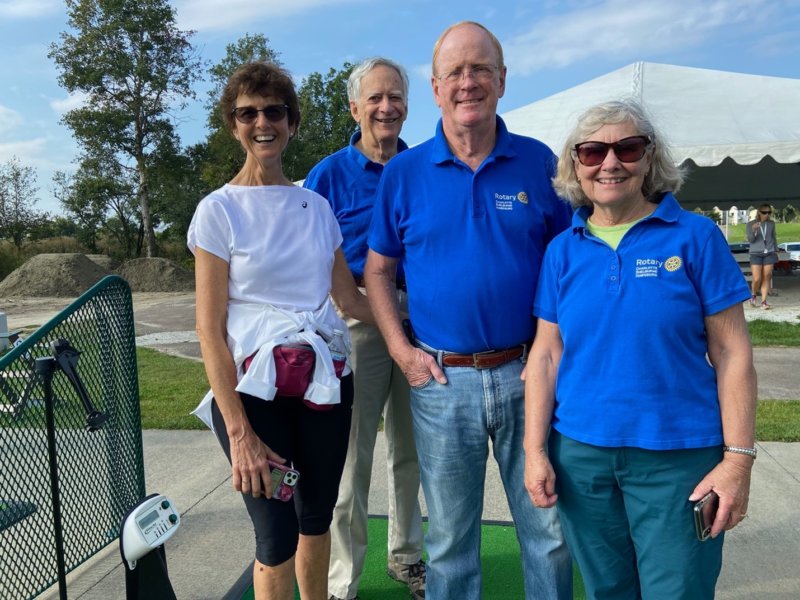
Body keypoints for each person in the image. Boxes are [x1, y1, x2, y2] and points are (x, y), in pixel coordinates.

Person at [364, 21, 573, 600]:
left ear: (502, 80)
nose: (468, 82)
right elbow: (377, 271)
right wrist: (402, 352)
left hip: (528, 375)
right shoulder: (405, 173)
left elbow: (568, 265)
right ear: (435, 88)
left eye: (480, 68)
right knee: (451, 540)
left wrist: (550, 351)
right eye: (455, 71)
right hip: (440, 379)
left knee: (547, 530)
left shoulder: (539, 165)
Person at [524, 99, 757, 599]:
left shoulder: (695, 237)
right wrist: (534, 451)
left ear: (649, 158)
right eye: (592, 152)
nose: (610, 163)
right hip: (582, 458)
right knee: (608, 591)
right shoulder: (563, 249)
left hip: (678, 459)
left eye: (627, 148)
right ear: (575, 166)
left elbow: (733, 353)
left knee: (678, 591)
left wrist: (738, 461)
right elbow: (545, 355)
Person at [187, 62, 373, 600]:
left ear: (292, 122)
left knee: (315, 520)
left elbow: (348, 299)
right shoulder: (218, 211)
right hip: (256, 395)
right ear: (233, 125)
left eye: (274, 111)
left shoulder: (315, 207)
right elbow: (209, 330)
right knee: (275, 537)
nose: (262, 123)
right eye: (248, 113)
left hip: (326, 385)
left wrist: (413, 322)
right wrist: (239, 431)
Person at [304, 57, 425, 600]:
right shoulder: (327, 175)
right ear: (355, 108)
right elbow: (311, 259)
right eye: (374, 98)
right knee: (351, 458)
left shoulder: (423, 167)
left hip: (421, 324)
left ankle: (407, 558)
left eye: (395, 96)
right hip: (356, 322)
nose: (386, 107)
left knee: (412, 450)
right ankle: (342, 581)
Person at [747, 203, 778, 309]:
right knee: (756, 278)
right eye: (764, 212)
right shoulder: (751, 224)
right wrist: (754, 230)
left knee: (767, 275)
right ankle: (753, 295)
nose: (767, 214)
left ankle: (764, 302)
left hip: (769, 252)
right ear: (759, 213)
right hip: (756, 253)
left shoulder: (771, 224)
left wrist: (776, 249)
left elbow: (773, 237)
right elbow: (750, 240)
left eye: (769, 212)